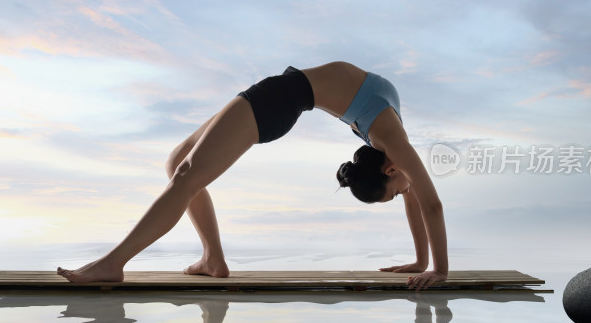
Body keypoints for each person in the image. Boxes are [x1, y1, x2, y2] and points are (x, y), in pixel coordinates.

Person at [57, 61, 448, 290]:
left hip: (279, 98)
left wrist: (420, 262)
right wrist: (439, 271)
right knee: (180, 163)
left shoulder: (390, 145)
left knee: (186, 173)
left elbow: (416, 200)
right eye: (393, 195)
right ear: (391, 170)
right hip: (277, 98)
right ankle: (204, 258)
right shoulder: (390, 139)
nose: (402, 195)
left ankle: (126, 262)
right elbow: (429, 202)